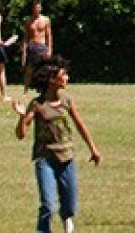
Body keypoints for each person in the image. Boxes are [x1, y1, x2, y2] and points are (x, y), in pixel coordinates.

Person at [16, 59, 101, 233]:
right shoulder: (37, 105)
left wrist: (93, 149)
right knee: (48, 205)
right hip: (45, 159)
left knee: (70, 205)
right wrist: (22, 116)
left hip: (67, 157)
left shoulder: (67, 101)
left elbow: (80, 125)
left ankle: (67, 218)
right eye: (63, 75)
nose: (67, 78)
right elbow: (21, 134)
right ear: (51, 80)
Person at [21, 0, 55, 90]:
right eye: (35, 7)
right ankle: (26, 90)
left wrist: (49, 50)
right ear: (32, 8)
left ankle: (46, 89)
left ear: (41, 8)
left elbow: (49, 36)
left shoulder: (46, 20)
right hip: (32, 46)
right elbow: (25, 38)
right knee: (29, 70)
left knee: (45, 69)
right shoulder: (28, 21)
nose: (37, 9)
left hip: (42, 46)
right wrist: (23, 54)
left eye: (38, 7)